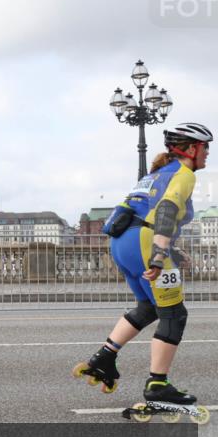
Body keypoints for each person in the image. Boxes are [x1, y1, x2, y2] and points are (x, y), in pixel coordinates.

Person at [75, 122, 211, 413]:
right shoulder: (184, 174)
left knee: (149, 307)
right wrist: (160, 256)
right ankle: (158, 386)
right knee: (174, 314)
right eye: (205, 147)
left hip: (123, 244)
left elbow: (140, 214)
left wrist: (170, 249)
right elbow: (166, 211)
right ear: (190, 149)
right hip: (146, 244)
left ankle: (104, 358)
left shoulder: (154, 175)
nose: (208, 153)